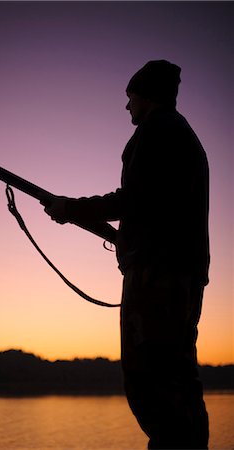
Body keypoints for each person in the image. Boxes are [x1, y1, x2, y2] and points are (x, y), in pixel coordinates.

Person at [42, 60, 210, 449]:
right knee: (179, 375)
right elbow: (154, 206)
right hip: (182, 273)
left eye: (130, 96)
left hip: (157, 274)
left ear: (146, 95)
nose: (126, 106)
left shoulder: (156, 131)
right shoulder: (184, 136)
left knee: (149, 379)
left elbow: (133, 200)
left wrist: (72, 208)